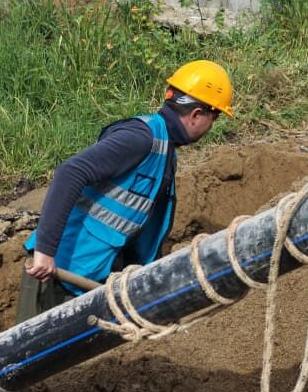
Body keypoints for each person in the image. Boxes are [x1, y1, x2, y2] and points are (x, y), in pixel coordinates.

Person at [16, 59, 234, 322]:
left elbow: (135, 226)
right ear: (197, 114)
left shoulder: (165, 152)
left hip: (90, 275)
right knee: (34, 361)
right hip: (55, 273)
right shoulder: (140, 138)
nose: (211, 127)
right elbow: (69, 173)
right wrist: (45, 252)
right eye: (215, 117)